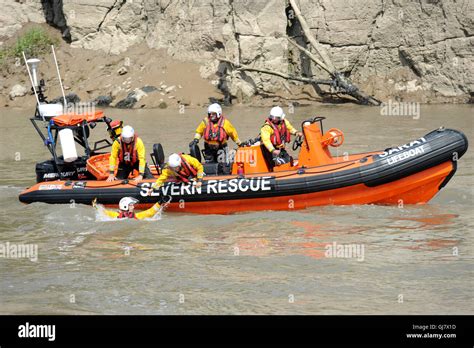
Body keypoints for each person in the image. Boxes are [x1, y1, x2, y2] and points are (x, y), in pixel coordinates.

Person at [92, 197, 162, 220]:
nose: (133, 207)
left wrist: (159, 203)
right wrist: (95, 205)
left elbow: (150, 212)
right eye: (131, 205)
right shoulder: (114, 215)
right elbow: (103, 211)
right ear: (125, 206)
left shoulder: (137, 216)